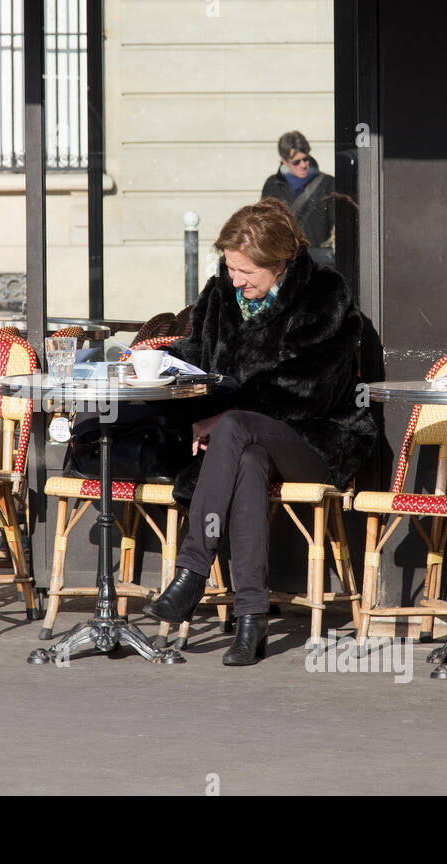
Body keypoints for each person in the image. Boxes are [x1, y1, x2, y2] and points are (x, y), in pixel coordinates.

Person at [143, 197, 377, 665]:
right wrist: (161, 372)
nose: (235, 280)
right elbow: (197, 359)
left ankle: (190, 573)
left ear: (279, 261)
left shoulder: (324, 295)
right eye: (230, 268)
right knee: (245, 458)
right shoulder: (218, 296)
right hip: (241, 444)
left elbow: (312, 391)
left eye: (245, 271)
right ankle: (252, 622)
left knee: (233, 426)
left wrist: (229, 413)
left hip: (317, 439)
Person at [261, 131, 336, 256]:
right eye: (296, 162)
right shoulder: (272, 185)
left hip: (316, 259)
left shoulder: (327, 183)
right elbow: (264, 225)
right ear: (284, 161)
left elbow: (337, 224)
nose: (303, 165)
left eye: (305, 159)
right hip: (284, 259)